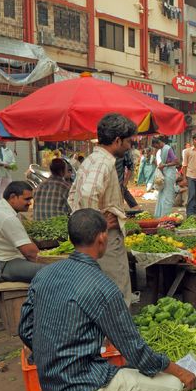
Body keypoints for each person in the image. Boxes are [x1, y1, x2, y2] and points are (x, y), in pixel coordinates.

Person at [19, 209, 194, 391]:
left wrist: (52, 355)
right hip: (83, 386)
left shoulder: (44, 274)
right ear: (102, 238)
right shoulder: (104, 287)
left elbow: (25, 329)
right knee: (172, 386)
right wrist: (179, 371)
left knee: (126, 376)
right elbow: (136, 353)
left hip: (50, 382)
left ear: (71, 239)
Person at [68, 113, 136, 305]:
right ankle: (118, 333)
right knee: (116, 290)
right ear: (117, 140)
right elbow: (88, 193)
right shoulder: (103, 162)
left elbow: (73, 196)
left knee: (98, 289)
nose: (130, 146)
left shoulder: (91, 160)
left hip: (95, 237)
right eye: (128, 141)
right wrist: (98, 224)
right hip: (104, 237)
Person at [0, 181, 44, 283]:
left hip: (4, 261)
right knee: (51, 272)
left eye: (30, 199)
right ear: (13, 197)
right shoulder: (7, 217)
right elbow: (30, 253)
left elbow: (28, 244)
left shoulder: (6, 210)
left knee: (50, 270)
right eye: (27, 199)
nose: (30, 203)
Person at [152, 136, 178, 218]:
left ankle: (165, 215)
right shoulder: (162, 149)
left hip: (169, 173)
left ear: (158, 143)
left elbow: (176, 161)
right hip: (165, 172)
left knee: (168, 194)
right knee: (163, 194)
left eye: (156, 146)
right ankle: (162, 215)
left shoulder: (167, 149)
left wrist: (165, 165)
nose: (156, 148)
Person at [182, 133, 196, 216]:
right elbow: (184, 165)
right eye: (195, 139)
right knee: (191, 195)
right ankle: (189, 213)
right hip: (190, 176)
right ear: (193, 141)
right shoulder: (187, 151)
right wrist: (184, 178)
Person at [0, 139, 17, 205]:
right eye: (0, 140)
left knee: (7, 190)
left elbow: (13, 163)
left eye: (3, 140)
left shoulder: (9, 151)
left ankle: (5, 205)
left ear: (6, 141)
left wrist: (10, 166)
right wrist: (3, 164)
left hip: (6, 174)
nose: (1, 141)